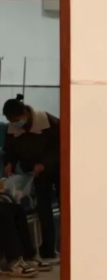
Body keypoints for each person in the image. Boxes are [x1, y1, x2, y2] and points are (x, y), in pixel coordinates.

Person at [2, 95, 61, 264]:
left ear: (25, 113)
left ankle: (68, 247)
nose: (16, 124)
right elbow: (10, 150)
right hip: (36, 173)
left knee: (66, 207)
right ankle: (48, 251)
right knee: (43, 208)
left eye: (17, 120)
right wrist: (10, 163)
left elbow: (60, 145)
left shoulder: (46, 120)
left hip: (58, 168)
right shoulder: (13, 128)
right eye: (11, 121)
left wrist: (44, 163)